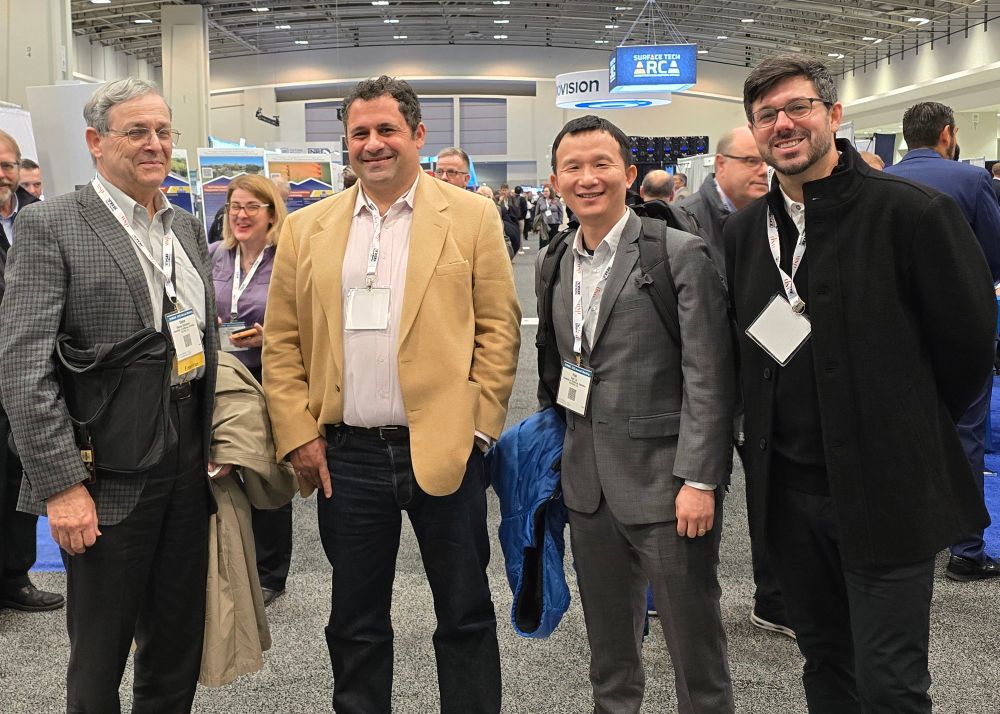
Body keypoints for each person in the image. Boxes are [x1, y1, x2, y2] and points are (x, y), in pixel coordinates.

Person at [725, 54, 995, 713]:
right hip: (791, 497)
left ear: (834, 116)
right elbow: (753, 348)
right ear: (755, 134)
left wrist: (906, 421)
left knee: (891, 684)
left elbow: (968, 347)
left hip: (888, 493)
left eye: (798, 108)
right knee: (825, 666)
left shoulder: (913, 214)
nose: (783, 124)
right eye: (766, 116)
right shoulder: (743, 234)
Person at [263, 75, 520, 713]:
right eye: (360, 133)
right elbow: (282, 342)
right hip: (345, 456)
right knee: (354, 618)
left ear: (418, 136)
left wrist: (481, 427)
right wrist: (297, 433)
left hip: (446, 447)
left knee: (464, 610)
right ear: (346, 142)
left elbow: (498, 327)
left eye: (387, 130)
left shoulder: (471, 216)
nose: (374, 144)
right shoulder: (306, 228)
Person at [0, 78, 219, 712]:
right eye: (137, 132)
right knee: (99, 655)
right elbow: (21, 371)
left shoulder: (182, 226)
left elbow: (203, 341)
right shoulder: (52, 226)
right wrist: (63, 487)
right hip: (104, 471)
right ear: (96, 142)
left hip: (185, 463)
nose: (155, 145)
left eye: (163, 131)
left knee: (176, 642)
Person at [537, 115, 736, 714]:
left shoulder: (678, 252)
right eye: (573, 168)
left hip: (668, 485)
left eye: (601, 165)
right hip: (587, 486)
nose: (587, 179)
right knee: (608, 647)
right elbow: (557, 368)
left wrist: (700, 480)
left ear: (627, 175)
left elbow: (709, 374)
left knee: (692, 645)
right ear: (555, 181)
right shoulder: (554, 261)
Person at [678, 126, 789, 637]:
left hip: (764, 379)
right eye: (749, 160)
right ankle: (689, 604)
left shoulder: (779, 213)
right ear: (719, 165)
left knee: (774, 495)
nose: (761, 168)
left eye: (763, 159)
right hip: (700, 385)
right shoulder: (682, 219)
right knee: (699, 496)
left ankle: (775, 599)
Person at [881, 101, 1000, 582]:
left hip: (892, 330)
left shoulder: (880, 180)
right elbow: (995, 254)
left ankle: (907, 534)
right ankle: (966, 551)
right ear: (948, 134)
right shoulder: (973, 182)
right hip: (960, 330)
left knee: (900, 431)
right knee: (966, 435)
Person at [212, 173, 293, 606]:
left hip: (269, 377)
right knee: (222, 470)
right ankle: (230, 564)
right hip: (223, 377)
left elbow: (307, 320)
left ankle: (269, 571)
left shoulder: (286, 258)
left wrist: (272, 335)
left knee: (264, 470)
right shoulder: (214, 256)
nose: (241, 215)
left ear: (270, 213)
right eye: (234, 207)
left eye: (251, 207)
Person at [0, 130, 64, 614]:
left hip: (27, 368)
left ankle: (14, 576)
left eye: (9, 163)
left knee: (19, 475)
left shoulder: (40, 217)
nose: (4, 173)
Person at [498, 183, 521, 254]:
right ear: (500, 191)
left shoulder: (512, 198)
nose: (504, 192)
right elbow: (496, 209)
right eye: (503, 190)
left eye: (505, 190)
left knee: (514, 239)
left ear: (508, 190)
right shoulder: (497, 198)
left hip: (513, 221)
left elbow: (517, 209)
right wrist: (499, 201)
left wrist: (510, 206)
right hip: (503, 221)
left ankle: (513, 252)